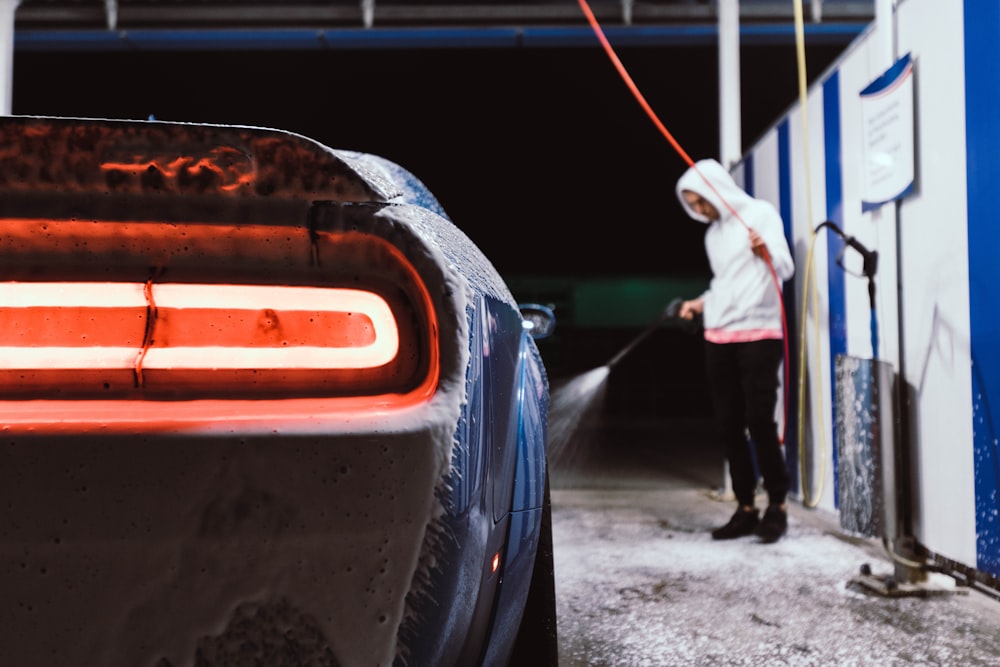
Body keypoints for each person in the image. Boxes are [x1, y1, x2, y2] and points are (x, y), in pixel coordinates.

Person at [673, 158, 795, 543]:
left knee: (760, 422)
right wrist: (700, 302)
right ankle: (745, 508)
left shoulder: (760, 214)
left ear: (715, 190)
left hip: (759, 333)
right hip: (718, 336)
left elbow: (786, 267)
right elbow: (724, 283)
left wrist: (766, 254)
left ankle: (777, 507)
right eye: (691, 205)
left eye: (700, 202)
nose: (698, 210)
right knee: (729, 425)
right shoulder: (712, 236)